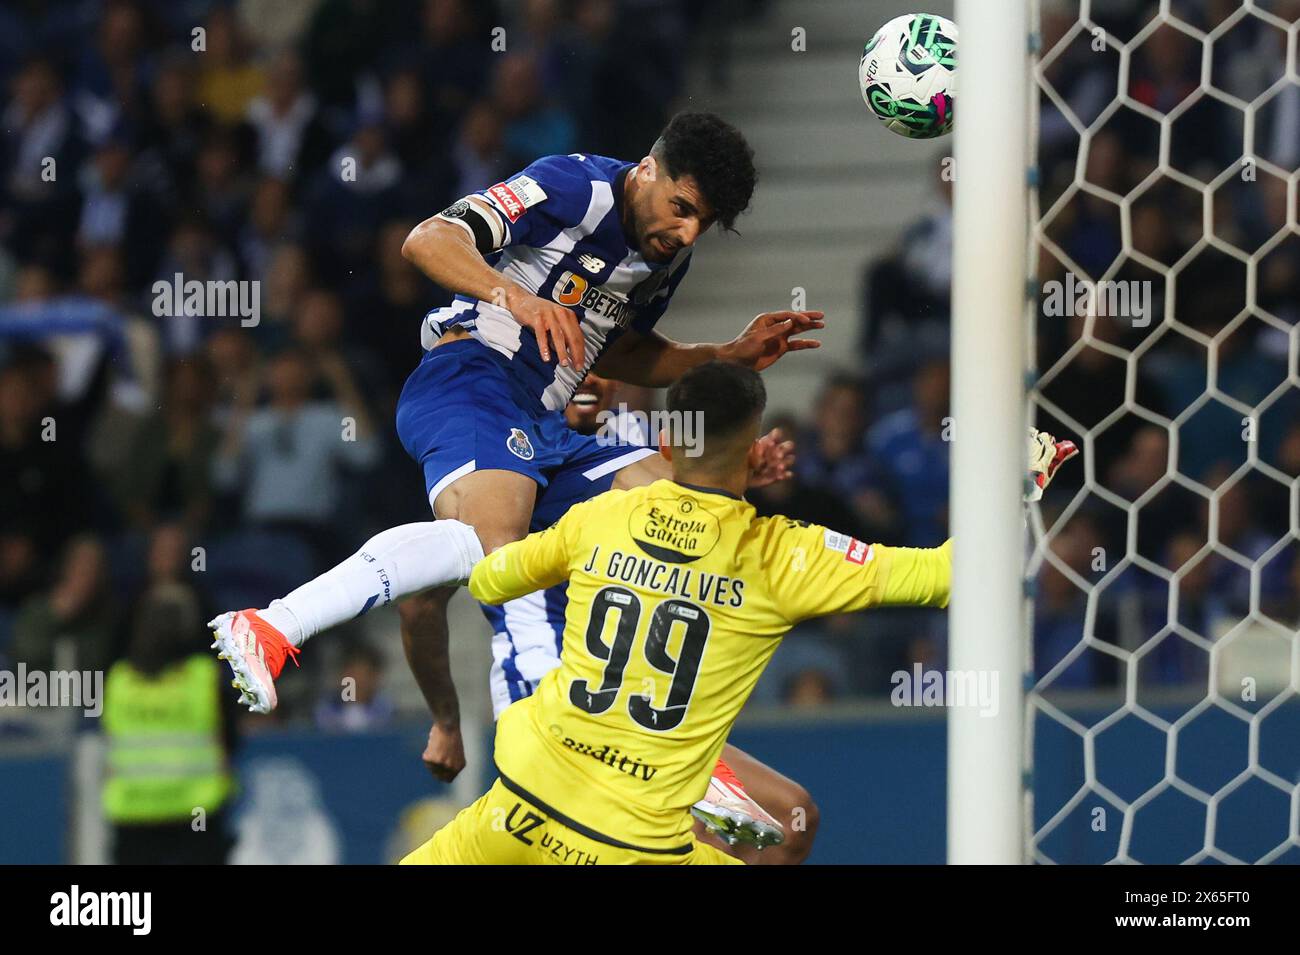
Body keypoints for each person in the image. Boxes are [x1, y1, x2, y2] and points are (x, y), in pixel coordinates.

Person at [209, 111, 821, 844]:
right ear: (649, 169)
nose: (688, 233)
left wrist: (720, 355)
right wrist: (520, 299)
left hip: (546, 425)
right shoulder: (573, 185)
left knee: (674, 508)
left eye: (705, 223)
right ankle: (274, 624)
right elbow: (428, 239)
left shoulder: (663, 255)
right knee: (499, 555)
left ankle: (643, 752)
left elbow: (616, 347)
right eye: (683, 209)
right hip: (471, 378)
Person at [401, 361, 1076, 864]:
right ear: (756, 451)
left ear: (665, 443)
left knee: (788, 821)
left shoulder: (602, 514)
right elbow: (954, 573)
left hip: (524, 801)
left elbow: (491, 578)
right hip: (632, 838)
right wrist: (1018, 481)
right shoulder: (778, 556)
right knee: (781, 832)